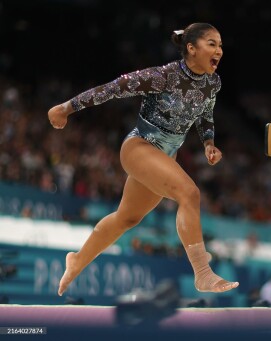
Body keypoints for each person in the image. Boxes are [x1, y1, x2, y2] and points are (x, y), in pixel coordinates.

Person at [47, 23, 239, 295]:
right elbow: (113, 88)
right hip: (140, 146)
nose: (219, 50)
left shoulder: (213, 83)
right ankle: (203, 274)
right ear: (191, 48)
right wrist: (67, 107)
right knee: (189, 193)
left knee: (127, 218)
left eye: (220, 45)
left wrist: (209, 143)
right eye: (212, 44)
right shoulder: (163, 76)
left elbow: (205, 114)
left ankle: (77, 260)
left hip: (165, 155)